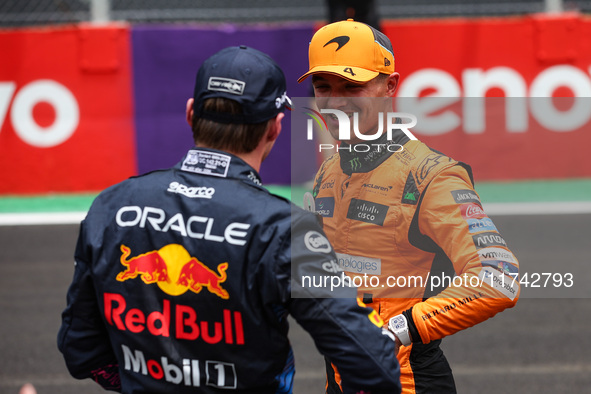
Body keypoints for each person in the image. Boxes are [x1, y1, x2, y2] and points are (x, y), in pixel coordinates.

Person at [57, 45, 402, 394]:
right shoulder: (282, 228)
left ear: (191, 114)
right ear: (274, 129)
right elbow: (373, 364)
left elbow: (82, 351)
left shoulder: (112, 205)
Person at [298, 19, 520, 394]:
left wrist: (397, 331)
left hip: (407, 383)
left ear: (390, 86)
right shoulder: (329, 172)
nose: (335, 102)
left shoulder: (431, 175)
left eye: (352, 86)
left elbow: (499, 278)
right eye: (324, 87)